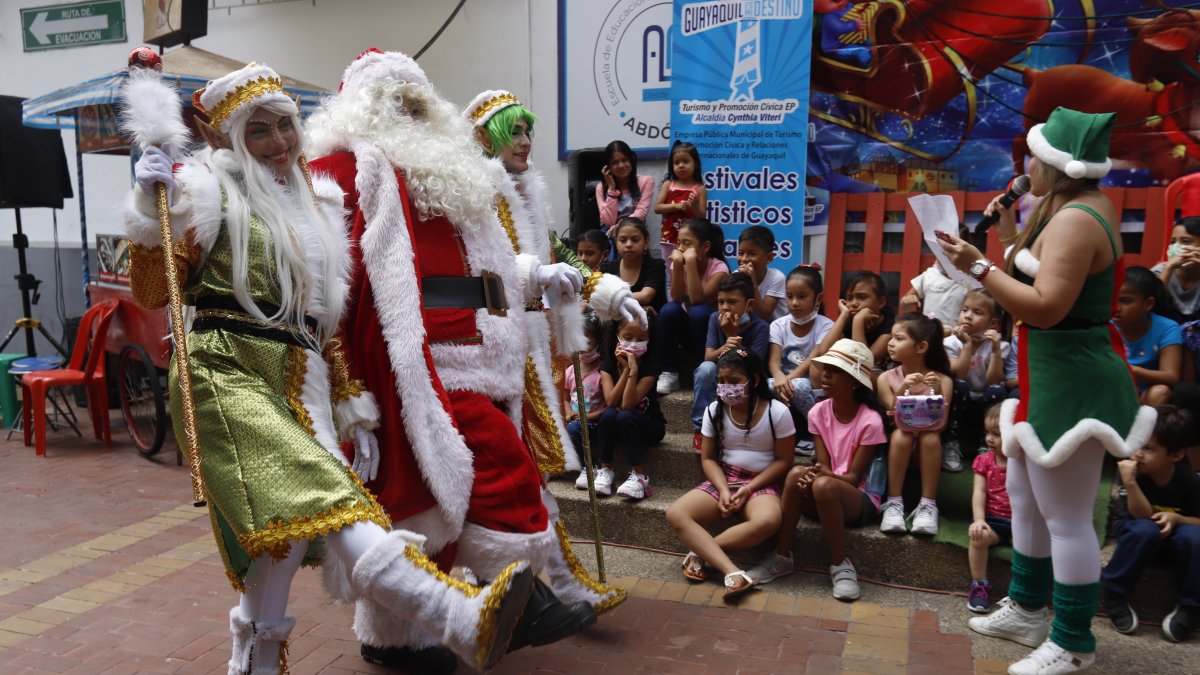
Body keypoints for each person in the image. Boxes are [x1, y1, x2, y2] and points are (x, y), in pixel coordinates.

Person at [123, 62, 534, 674]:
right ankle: (458, 616)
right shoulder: (205, 191)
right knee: (337, 504)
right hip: (226, 369)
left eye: (284, 125)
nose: (279, 143)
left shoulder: (319, 202)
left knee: (281, 539)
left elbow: (325, 325)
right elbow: (156, 292)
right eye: (258, 132)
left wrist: (351, 404)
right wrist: (148, 211)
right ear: (232, 141)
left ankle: (255, 665)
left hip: (304, 378)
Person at [306, 51, 611, 671]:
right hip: (420, 358)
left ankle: (395, 638)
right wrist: (342, 388)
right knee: (496, 470)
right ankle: (521, 600)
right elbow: (325, 283)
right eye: (395, 101)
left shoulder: (454, 173)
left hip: (489, 350)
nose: (411, 112)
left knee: (438, 502)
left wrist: (540, 277)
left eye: (418, 99)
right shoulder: (347, 166)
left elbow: (485, 268)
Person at [938, 106, 1153, 674]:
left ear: (1059, 165)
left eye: (1034, 156)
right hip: (1047, 371)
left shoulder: (1081, 218)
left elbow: (1048, 307)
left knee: (1067, 516)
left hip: (1074, 374)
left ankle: (1073, 638)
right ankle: (1029, 610)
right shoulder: (1060, 206)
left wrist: (980, 268)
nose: (1025, 164)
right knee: (1026, 492)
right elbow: (1027, 271)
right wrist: (1005, 230)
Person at [748, 338, 887, 601]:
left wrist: (821, 477)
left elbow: (853, 477)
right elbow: (823, 466)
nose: (825, 375)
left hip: (859, 500)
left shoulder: (870, 420)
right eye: (825, 369)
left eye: (834, 371)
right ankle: (781, 556)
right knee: (795, 474)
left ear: (854, 381)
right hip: (827, 490)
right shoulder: (818, 412)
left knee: (822, 484)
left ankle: (840, 564)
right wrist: (812, 475)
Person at [666, 348, 793, 602]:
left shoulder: (777, 412)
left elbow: (784, 461)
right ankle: (732, 572)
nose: (726, 387)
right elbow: (709, 458)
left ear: (754, 380)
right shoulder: (714, 410)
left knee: (768, 520)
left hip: (761, 481)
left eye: (734, 381)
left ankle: (702, 552)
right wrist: (724, 489)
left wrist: (748, 488)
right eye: (721, 382)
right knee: (675, 513)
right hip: (725, 477)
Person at [1100, 405, 1200, 643]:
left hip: (1176, 544)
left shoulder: (1189, 481)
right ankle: (1113, 592)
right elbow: (1141, 516)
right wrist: (1131, 483)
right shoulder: (1131, 473)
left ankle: (1191, 606)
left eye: (1149, 449)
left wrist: (1178, 519)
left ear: (1176, 455)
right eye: (1138, 444)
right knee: (1144, 529)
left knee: (1194, 536)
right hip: (1139, 537)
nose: (1138, 454)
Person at [877, 313, 954, 537]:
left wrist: (937, 392)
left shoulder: (943, 380)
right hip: (899, 449)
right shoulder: (886, 378)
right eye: (891, 337)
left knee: (930, 436)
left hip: (927, 452)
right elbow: (892, 418)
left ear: (921, 347)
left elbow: (940, 425)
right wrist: (901, 391)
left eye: (899, 338)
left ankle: (929, 505)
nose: (891, 343)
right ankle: (893, 503)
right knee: (902, 434)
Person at [690, 272, 771, 450]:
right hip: (721, 377)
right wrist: (725, 345)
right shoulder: (714, 319)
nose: (725, 307)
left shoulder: (761, 328)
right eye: (721, 302)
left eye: (732, 302)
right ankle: (700, 429)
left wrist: (731, 335)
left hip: (746, 384)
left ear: (749, 304)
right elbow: (708, 356)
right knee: (705, 369)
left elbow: (752, 368)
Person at [594, 312, 667, 498]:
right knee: (608, 414)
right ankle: (606, 470)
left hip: (649, 426)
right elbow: (611, 401)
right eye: (628, 337)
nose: (634, 343)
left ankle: (640, 476)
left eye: (641, 338)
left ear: (650, 339)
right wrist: (625, 369)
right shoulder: (608, 363)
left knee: (624, 415)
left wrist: (633, 370)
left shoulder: (650, 365)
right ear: (617, 335)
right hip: (619, 425)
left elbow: (627, 405)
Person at [657, 217, 730, 394]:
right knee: (669, 310)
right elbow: (676, 297)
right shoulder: (678, 263)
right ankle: (670, 372)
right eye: (678, 243)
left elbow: (698, 299)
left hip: (710, 334)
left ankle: (701, 370)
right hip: (687, 331)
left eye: (687, 243)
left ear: (705, 247)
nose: (680, 248)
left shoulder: (719, 268)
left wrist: (689, 263)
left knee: (699, 311)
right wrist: (678, 267)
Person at [768, 265, 835, 456]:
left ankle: (819, 433)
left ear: (818, 298)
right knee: (764, 386)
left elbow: (813, 358)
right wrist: (780, 376)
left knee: (798, 386)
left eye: (802, 296)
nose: (794, 303)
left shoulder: (826, 326)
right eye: (789, 296)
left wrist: (788, 381)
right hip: (783, 380)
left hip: (811, 386)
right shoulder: (778, 325)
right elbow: (773, 361)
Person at [942, 289, 1011, 472]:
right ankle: (951, 443)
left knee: (997, 389)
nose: (968, 316)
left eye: (977, 312)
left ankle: (986, 444)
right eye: (965, 310)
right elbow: (960, 374)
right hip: (960, 399)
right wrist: (967, 345)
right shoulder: (951, 343)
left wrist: (996, 351)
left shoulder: (1000, 346)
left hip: (985, 400)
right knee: (958, 385)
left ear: (993, 323)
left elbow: (993, 380)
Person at [1114, 266, 1182, 406]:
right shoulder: (1105, 325)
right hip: (1114, 389)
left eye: (1125, 301)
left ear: (1148, 303)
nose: (1116, 307)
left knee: (1160, 391)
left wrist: (1132, 370)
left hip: (1146, 395)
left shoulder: (1167, 328)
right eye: (1112, 299)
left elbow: (1171, 375)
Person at [968, 403, 1012, 614]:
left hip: (1020, 522)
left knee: (1033, 546)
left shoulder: (1023, 462)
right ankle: (979, 585)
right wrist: (979, 520)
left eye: (997, 434)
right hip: (994, 521)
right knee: (978, 538)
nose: (990, 439)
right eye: (988, 433)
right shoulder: (984, 461)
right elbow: (980, 492)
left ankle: (1019, 591)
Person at [815, 270, 894, 373]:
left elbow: (863, 364)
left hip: (878, 381)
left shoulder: (890, 328)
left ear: (881, 302)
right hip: (853, 378)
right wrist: (844, 314)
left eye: (862, 297)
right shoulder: (848, 321)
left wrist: (858, 322)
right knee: (816, 365)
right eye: (849, 298)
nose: (854, 303)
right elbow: (823, 351)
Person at [567, 311, 606, 483]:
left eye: (588, 341)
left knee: (576, 429)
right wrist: (569, 413)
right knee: (571, 428)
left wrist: (587, 417)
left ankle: (589, 467)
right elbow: (565, 397)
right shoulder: (570, 370)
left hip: (595, 422)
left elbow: (610, 405)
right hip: (576, 420)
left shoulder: (602, 373)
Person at [596, 140, 655, 256]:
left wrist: (620, 227)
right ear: (607, 167)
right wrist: (612, 189)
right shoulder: (601, 188)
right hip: (609, 232)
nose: (621, 165)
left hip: (634, 229)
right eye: (615, 162)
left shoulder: (646, 181)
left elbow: (641, 213)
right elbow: (608, 221)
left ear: (631, 160)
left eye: (624, 160)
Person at [653, 140, 706, 261]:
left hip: (691, 240)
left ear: (696, 164)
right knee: (669, 269)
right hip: (669, 237)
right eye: (676, 162)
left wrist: (694, 206)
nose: (681, 165)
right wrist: (676, 206)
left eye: (686, 161)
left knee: (688, 267)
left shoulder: (700, 189)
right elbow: (657, 208)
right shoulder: (668, 184)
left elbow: (702, 217)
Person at [601, 216, 666, 312]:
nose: (628, 245)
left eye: (635, 240)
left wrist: (612, 299)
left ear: (646, 241)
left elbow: (645, 296)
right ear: (616, 243)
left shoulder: (656, 265)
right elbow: (601, 296)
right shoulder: (608, 268)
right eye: (623, 240)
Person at [901, 257, 978, 330]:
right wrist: (907, 301)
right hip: (929, 332)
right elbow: (904, 303)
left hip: (954, 335)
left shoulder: (968, 280)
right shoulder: (929, 275)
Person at [737, 225, 789, 321]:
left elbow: (764, 316)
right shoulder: (735, 275)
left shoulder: (777, 278)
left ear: (769, 258)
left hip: (773, 329)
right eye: (741, 253)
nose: (744, 259)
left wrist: (752, 282)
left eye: (752, 254)